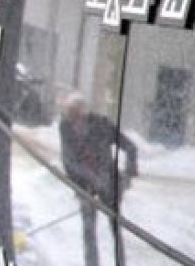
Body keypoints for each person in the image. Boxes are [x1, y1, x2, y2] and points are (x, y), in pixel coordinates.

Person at [58, 92, 138, 266]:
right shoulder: (65, 128)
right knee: (88, 231)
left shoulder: (102, 125)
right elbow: (68, 161)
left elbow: (131, 147)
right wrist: (84, 183)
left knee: (114, 228)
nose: (74, 121)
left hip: (109, 184)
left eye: (77, 115)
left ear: (84, 113)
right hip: (85, 186)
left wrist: (128, 175)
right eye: (70, 115)